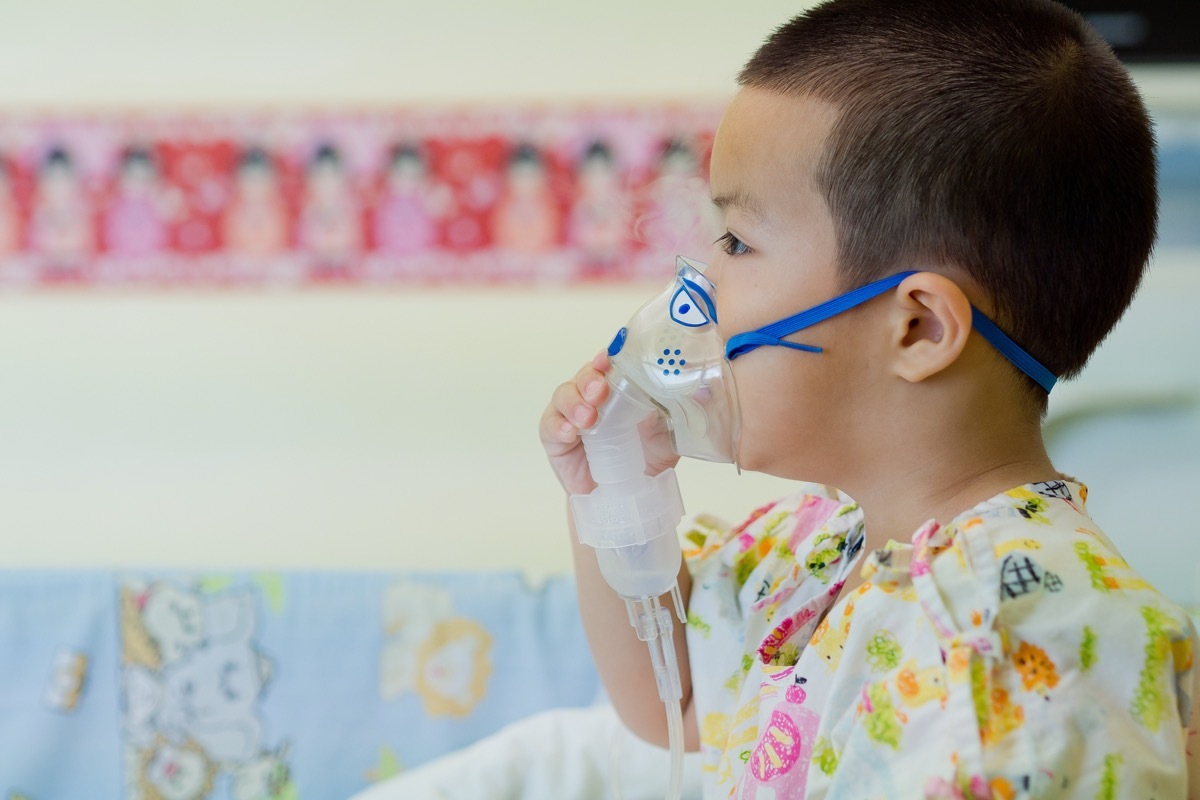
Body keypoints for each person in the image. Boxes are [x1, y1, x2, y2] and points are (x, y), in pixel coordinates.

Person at [539, 1, 1200, 797]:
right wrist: (618, 490)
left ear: (917, 328)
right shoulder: (816, 552)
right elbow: (670, 701)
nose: (698, 287)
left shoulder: (1019, 641)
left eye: (739, 243)